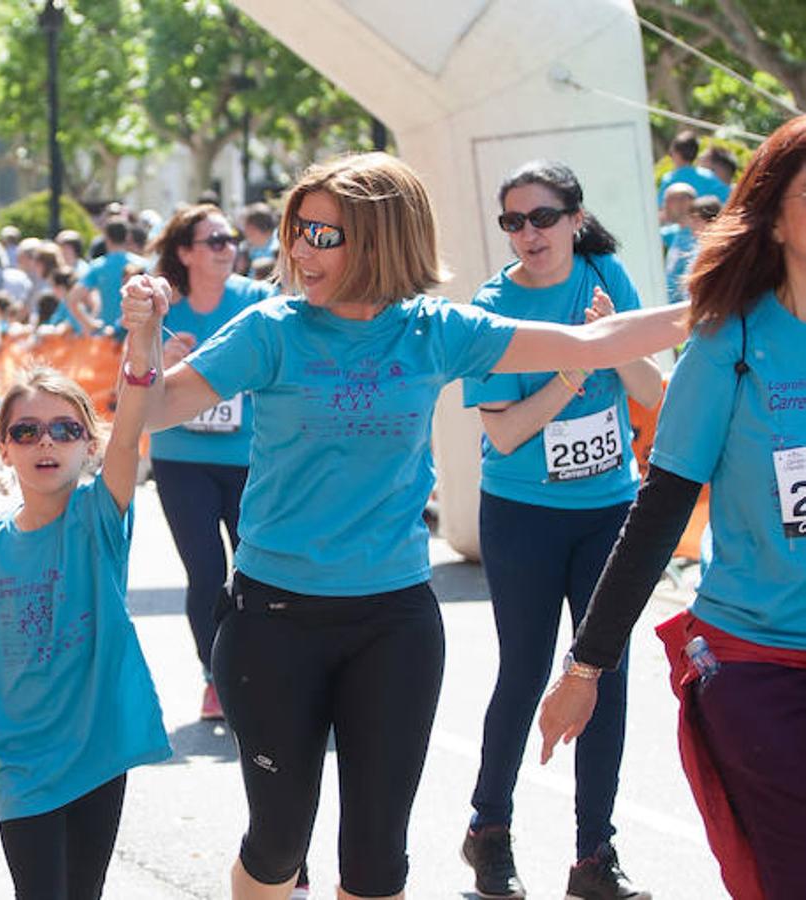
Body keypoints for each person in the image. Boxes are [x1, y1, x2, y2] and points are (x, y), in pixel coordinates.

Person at [140, 152, 688, 900]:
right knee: (276, 851)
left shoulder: (434, 331)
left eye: (322, 235)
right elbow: (149, 411)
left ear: (377, 238)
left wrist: (730, 291)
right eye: (298, 231)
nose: (299, 250)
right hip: (273, 618)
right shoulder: (269, 329)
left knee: (377, 865)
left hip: (393, 622)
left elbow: (592, 346)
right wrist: (142, 346)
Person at [540, 114, 806, 900]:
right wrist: (585, 664)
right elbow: (660, 509)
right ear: (776, 216)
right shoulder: (731, 340)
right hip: (757, 660)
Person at [458, 160, 662, 900]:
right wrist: (577, 366)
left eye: (541, 217)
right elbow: (507, 433)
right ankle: (488, 831)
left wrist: (612, 339)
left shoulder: (605, 273)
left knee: (600, 675)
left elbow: (651, 394)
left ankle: (592, 857)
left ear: (575, 218)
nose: (527, 234)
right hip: (522, 517)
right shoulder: (492, 306)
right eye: (512, 221)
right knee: (522, 673)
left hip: (608, 511)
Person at [0, 279, 171, 899]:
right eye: (27, 432)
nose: (47, 442)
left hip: (98, 747)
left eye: (66, 431)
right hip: (22, 757)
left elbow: (129, 429)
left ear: (87, 447)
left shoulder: (99, 519)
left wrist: (142, 338)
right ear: (4, 450)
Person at [145, 204, 271, 721]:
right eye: (214, 240)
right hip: (182, 457)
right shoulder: (162, 307)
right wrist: (162, 362)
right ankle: (214, 676)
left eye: (230, 239)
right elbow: (128, 382)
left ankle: (263, 671)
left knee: (257, 568)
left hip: (250, 456)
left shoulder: (258, 301)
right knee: (205, 571)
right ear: (184, 252)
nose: (227, 248)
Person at [70, 216, 148, 336]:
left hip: (107, 336)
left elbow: (73, 299)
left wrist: (89, 324)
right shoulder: (142, 264)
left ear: (105, 237)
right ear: (128, 236)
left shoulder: (98, 266)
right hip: (137, 334)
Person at [666, 196, 722, 305]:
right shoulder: (698, 247)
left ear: (711, 220)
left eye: (696, 220)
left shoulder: (716, 250)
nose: (692, 224)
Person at [659, 130, 730, 205]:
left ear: (677, 154)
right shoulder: (708, 176)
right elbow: (728, 199)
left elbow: (660, 207)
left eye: (671, 153)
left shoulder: (669, 179)